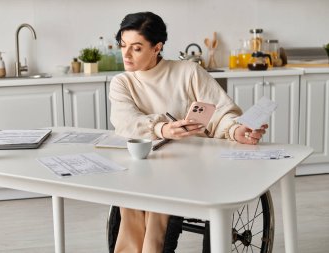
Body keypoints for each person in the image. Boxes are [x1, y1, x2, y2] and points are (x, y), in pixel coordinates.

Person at [109, 12, 268, 253]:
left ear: (157, 47)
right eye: (123, 45)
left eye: (136, 48)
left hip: (193, 166)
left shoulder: (188, 72)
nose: (126, 54)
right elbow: (124, 120)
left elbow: (221, 112)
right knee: (131, 195)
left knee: (156, 196)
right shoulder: (122, 82)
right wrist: (161, 128)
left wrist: (235, 130)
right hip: (148, 164)